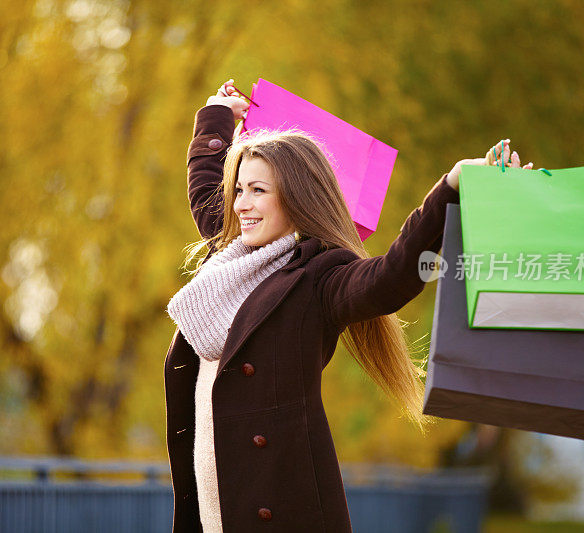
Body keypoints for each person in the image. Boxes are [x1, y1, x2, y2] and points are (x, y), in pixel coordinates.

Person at [164, 79, 533, 532]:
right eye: (239, 190)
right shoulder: (230, 260)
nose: (242, 205)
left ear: (295, 198)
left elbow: (394, 278)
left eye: (258, 191)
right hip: (210, 515)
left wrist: (451, 188)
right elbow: (206, 191)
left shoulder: (319, 278)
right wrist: (218, 114)